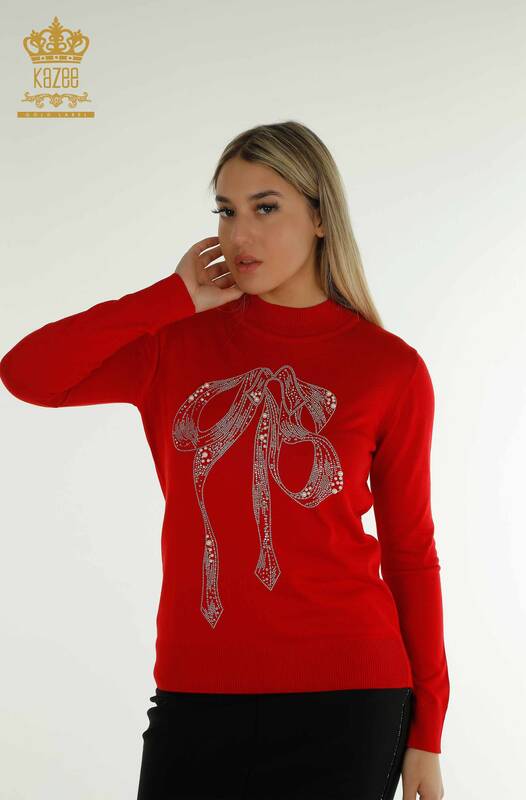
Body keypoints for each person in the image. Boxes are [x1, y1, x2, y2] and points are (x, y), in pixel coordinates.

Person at [0, 121, 449, 799]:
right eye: (226, 211)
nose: (240, 234)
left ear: (320, 218)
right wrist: (168, 299)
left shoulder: (390, 369)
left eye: (265, 208)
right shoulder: (175, 342)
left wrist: (427, 731)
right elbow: (28, 374)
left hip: (349, 698)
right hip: (197, 692)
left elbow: (410, 552)